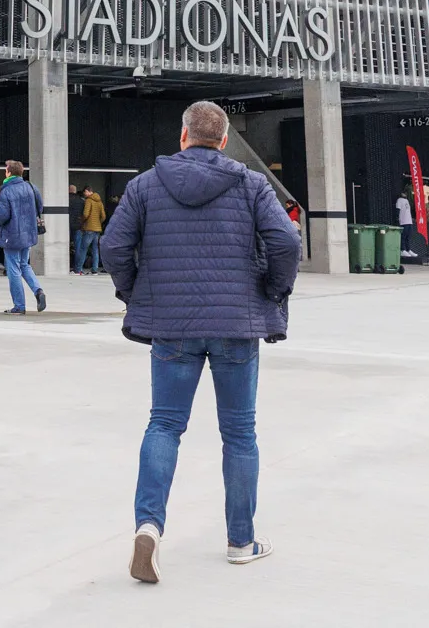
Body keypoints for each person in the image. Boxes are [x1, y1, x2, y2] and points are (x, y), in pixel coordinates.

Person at [106, 100, 301, 583]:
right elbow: (286, 242)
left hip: (172, 327)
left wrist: (136, 292)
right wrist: (273, 291)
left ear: (183, 136)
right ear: (224, 138)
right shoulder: (252, 184)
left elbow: (113, 246)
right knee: (239, 433)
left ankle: (148, 526)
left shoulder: (145, 186)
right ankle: (240, 541)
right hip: (237, 324)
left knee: (164, 425)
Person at [0, 161, 45, 315]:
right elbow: (39, 207)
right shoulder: (31, 187)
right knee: (24, 264)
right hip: (28, 233)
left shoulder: (6, 191)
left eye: (5, 170)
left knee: (13, 269)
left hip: (12, 235)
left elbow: (2, 217)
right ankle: (38, 291)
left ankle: (19, 306)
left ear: (9, 173)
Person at [78, 185, 108, 275]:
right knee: (95, 249)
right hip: (97, 229)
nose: (84, 194)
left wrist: (82, 220)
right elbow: (103, 216)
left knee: (83, 248)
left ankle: (79, 269)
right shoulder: (100, 202)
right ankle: (95, 269)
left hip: (89, 228)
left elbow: (85, 214)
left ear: (88, 191)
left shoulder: (88, 200)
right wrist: (98, 223)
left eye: (85, 192)